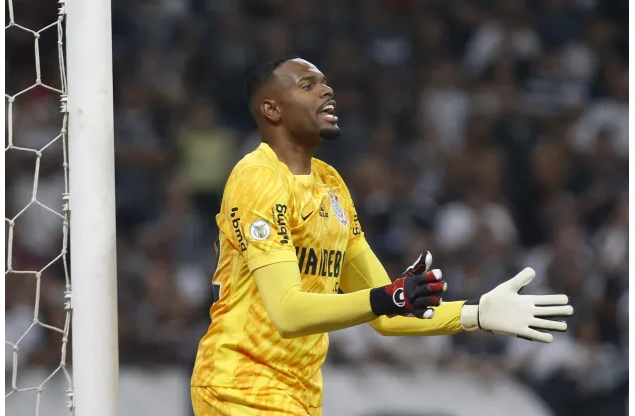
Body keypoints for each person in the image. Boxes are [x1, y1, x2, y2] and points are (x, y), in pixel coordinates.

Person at [190, 57, 574, 415]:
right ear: (271, 109)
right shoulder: (258, 179)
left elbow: (387, 315)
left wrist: (473, 314)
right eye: (308, 86)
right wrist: (387, 298)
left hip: (298, 392)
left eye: (325, 84)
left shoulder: (331, 185)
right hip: (239, 383)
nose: (327, 91)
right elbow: (289, 312)